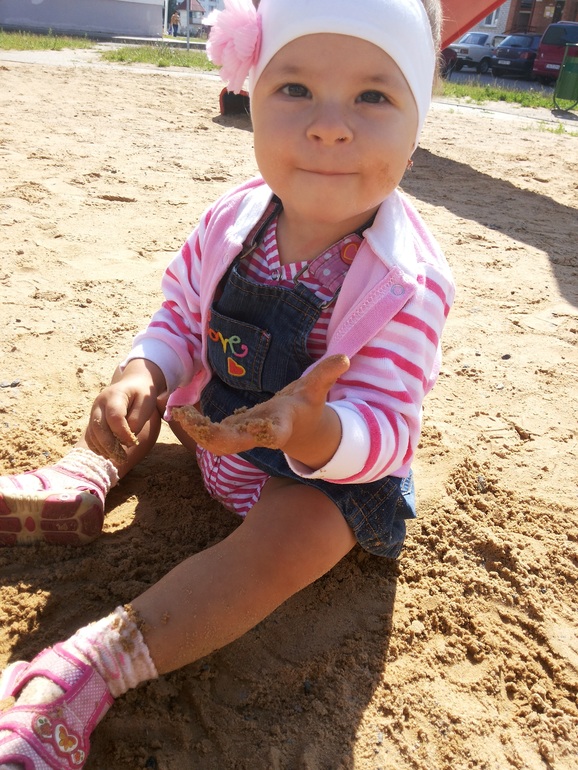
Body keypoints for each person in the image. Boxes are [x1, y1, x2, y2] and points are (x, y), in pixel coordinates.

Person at [0, 0, 454, 767]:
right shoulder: (233, 219)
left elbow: (389, 426)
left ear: (418, 124)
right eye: (295, 89)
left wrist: (317, 430)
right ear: (251, 96)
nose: (329, 127)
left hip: (321, 478)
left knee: (295, 538)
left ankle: (94, 664)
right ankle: (87, 475)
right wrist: (146, 368)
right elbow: (181, 318)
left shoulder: (406, 280)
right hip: (215, 435)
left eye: (373, 95)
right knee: (146, 401)